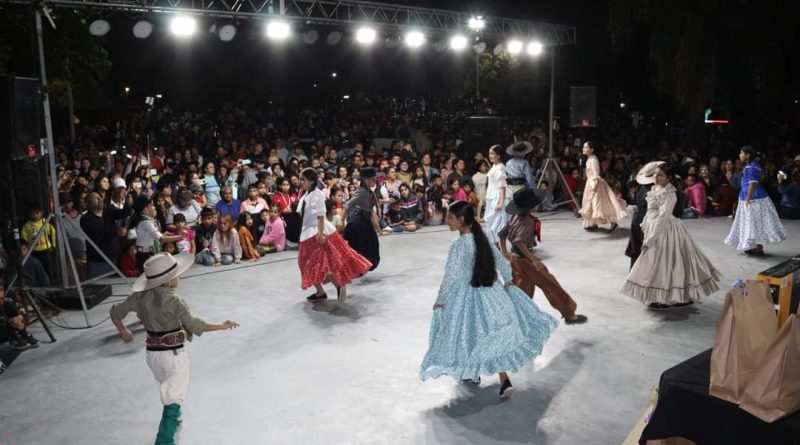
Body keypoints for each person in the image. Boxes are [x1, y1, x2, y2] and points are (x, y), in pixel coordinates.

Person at [419, 201, 557, 398]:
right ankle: (503, 378)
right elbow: (502, 263)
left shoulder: (458, 246)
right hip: (491, 292)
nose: (447, 221)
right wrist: (508, 282)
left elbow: (450, 276)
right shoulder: (482, 240)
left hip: (466, 296)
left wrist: (440, 300)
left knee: (469, 335)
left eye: (450, 218)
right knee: (492, 334)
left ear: (461, 220)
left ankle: (473, 373)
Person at [110, 252, 239, 445]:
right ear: (168, 281)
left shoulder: (138, 297)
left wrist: (123, 331)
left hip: (152, 356)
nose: (179, 277)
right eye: (176, 275)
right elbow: (197, 325)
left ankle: (176, 416)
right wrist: (222, 325)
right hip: (174, 355)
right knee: (173, 398)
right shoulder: (175, 301)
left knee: (169, 388)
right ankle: (164, 440)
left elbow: (115, 312)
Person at [621, 163, 721, 310]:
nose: (656, 177)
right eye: (655, 174)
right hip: (653, 228)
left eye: (660, 175)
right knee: (659, 264)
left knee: (668, 264)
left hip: (666, 232)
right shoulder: (654, 189)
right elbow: (650, 211)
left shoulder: (669, 194)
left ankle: (669, 298)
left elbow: (663, 217)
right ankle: (665, 297)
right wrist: (644, 224)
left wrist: (650, 238)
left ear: (669, 178)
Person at [498, 189, 588, 325]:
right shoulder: (527, 221)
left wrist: (506, 253)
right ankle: (569, 314)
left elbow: (502, 235)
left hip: (516, 261)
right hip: (526, 261)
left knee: (523, 291)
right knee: (550, 285)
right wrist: (534, 260)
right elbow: (519, 243)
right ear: (532, 207)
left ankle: (515, 319)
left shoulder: (514, 217)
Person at [297, 168, 372, 303]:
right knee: (310, 264)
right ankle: (322, 291)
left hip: (316, 231)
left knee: (320, 264)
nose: (300, 182)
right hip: (307, 231)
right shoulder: (306, 194)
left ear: (312, 180)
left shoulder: (317, 194)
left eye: (303, 179)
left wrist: (320, 235)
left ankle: (335, 285)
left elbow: (320, 216)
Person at [724, 145, 787, 255]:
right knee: (753, 222)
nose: (740, 155)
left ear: (747, 155)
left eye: (742, 153)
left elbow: (753, 183)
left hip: (753, 198)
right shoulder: (751, 166)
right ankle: (755, 246)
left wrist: (748, 198)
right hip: (749, 197)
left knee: (753, 222)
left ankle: (758, 247)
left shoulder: (751, 167)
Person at [579, 141, 628, 231]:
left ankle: (613, 222)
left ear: (591, 149)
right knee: (593, 204)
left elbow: (595, 174)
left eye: (586, 147)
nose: (583, 149)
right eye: (583, 147)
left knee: (601, 204)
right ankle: (593, 223)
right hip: (590, 183)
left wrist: (593, 186)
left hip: (595, 184)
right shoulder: (589, 159)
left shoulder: (593, 160)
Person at [343, 167, 382, 271]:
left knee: (368, 245)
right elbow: (347, 205)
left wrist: (387, 201)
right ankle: (357, 267)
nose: (375, 181)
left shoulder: (367, 191)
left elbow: (370, 206)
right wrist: (342, 222)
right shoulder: (362, 192)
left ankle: (360, 267)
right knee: (363, 246)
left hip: (364, 221)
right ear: (366, 180)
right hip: (358, 222)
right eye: (374, 179)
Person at [81, 191, 127, 278]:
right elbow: (99, 234)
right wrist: (116, 231)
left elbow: (125, 213)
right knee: (98, 289)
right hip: (97, 263)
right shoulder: (85, 219)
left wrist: (128, 201)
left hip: (114, 261)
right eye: (95, 198)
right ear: (88, 203)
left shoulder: (108, 212)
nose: (99, 199)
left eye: (100, 197)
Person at [130, 197, 183, 272]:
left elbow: (151, 236)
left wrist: (162, 234)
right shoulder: (145, 222)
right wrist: (180, 236)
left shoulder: (148, 221)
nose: (154, 207)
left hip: (148, 254)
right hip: (145, 256)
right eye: (152, 205)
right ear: (145, 209)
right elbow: (162, 239)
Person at [626, 162, 661, 269]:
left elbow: (634, 202)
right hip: (646, 223)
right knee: (644, 251)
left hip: (638, 221)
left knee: (637, 251)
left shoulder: (642, 187)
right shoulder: (655, 189)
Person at [484, 144, 509, 245]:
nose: (490, 155)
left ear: (498, 155)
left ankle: (497, 244)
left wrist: (501, 202)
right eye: (489, 153)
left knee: (496, 223)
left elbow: (502, 186)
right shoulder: (495, 166)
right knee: (491, 222)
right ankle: (494, 244)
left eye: (492, 153)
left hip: (497, 198)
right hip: (492, 196)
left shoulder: (500, 168)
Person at [2, 285, 39, 350]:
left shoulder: (7, 301)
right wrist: (9, 321)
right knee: (11, 321)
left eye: (1, 290)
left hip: (10, 325)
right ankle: (13, 339)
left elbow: (22, 310)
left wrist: (19, 316)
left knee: (15, 314)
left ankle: (24, 335)